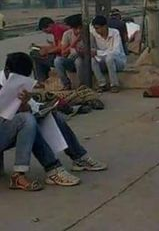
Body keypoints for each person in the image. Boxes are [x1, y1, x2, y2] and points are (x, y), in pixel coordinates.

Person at [1, 53, 107, 190]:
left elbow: (31, 109)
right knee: (27, 120)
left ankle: (79, 157)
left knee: (49, 115)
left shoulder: (18, 85)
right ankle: (47, 168)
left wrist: (25, 104)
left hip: (7, 130)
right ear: (8, 71)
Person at [91, 15, 127, 93]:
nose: (96, 30)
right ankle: (102, 84)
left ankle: (114, 85)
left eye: (97, 28)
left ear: (104, 26)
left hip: (118, 62)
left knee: (109, 57)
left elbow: (115, 51)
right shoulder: (94, 34)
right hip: (104, 62)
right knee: (93, 60)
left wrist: (97, 52)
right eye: (95, 28)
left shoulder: (115, 33)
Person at [54, 13, 87, 90]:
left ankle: (82, 84)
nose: (78, 31)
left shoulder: (88, 34)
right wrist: (74, 42)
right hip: (71, 60)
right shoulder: (67, 34)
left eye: (80, 28)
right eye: (76, 28)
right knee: (57, 61)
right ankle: (66, 84)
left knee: (78, 61)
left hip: (84, 61)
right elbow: (63, 53)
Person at [31, 17, 68, 83]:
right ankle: (42, 79)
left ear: (50, 25)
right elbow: (56, 46)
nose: (47, 33)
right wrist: (41, 47)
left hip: (62, 56)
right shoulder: (58, 28)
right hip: (61, 55)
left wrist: (47, 51)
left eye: (46, 30)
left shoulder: (57, 29)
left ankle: (41, 80)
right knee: (36, 53)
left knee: (34, 55)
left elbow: (60, 48)